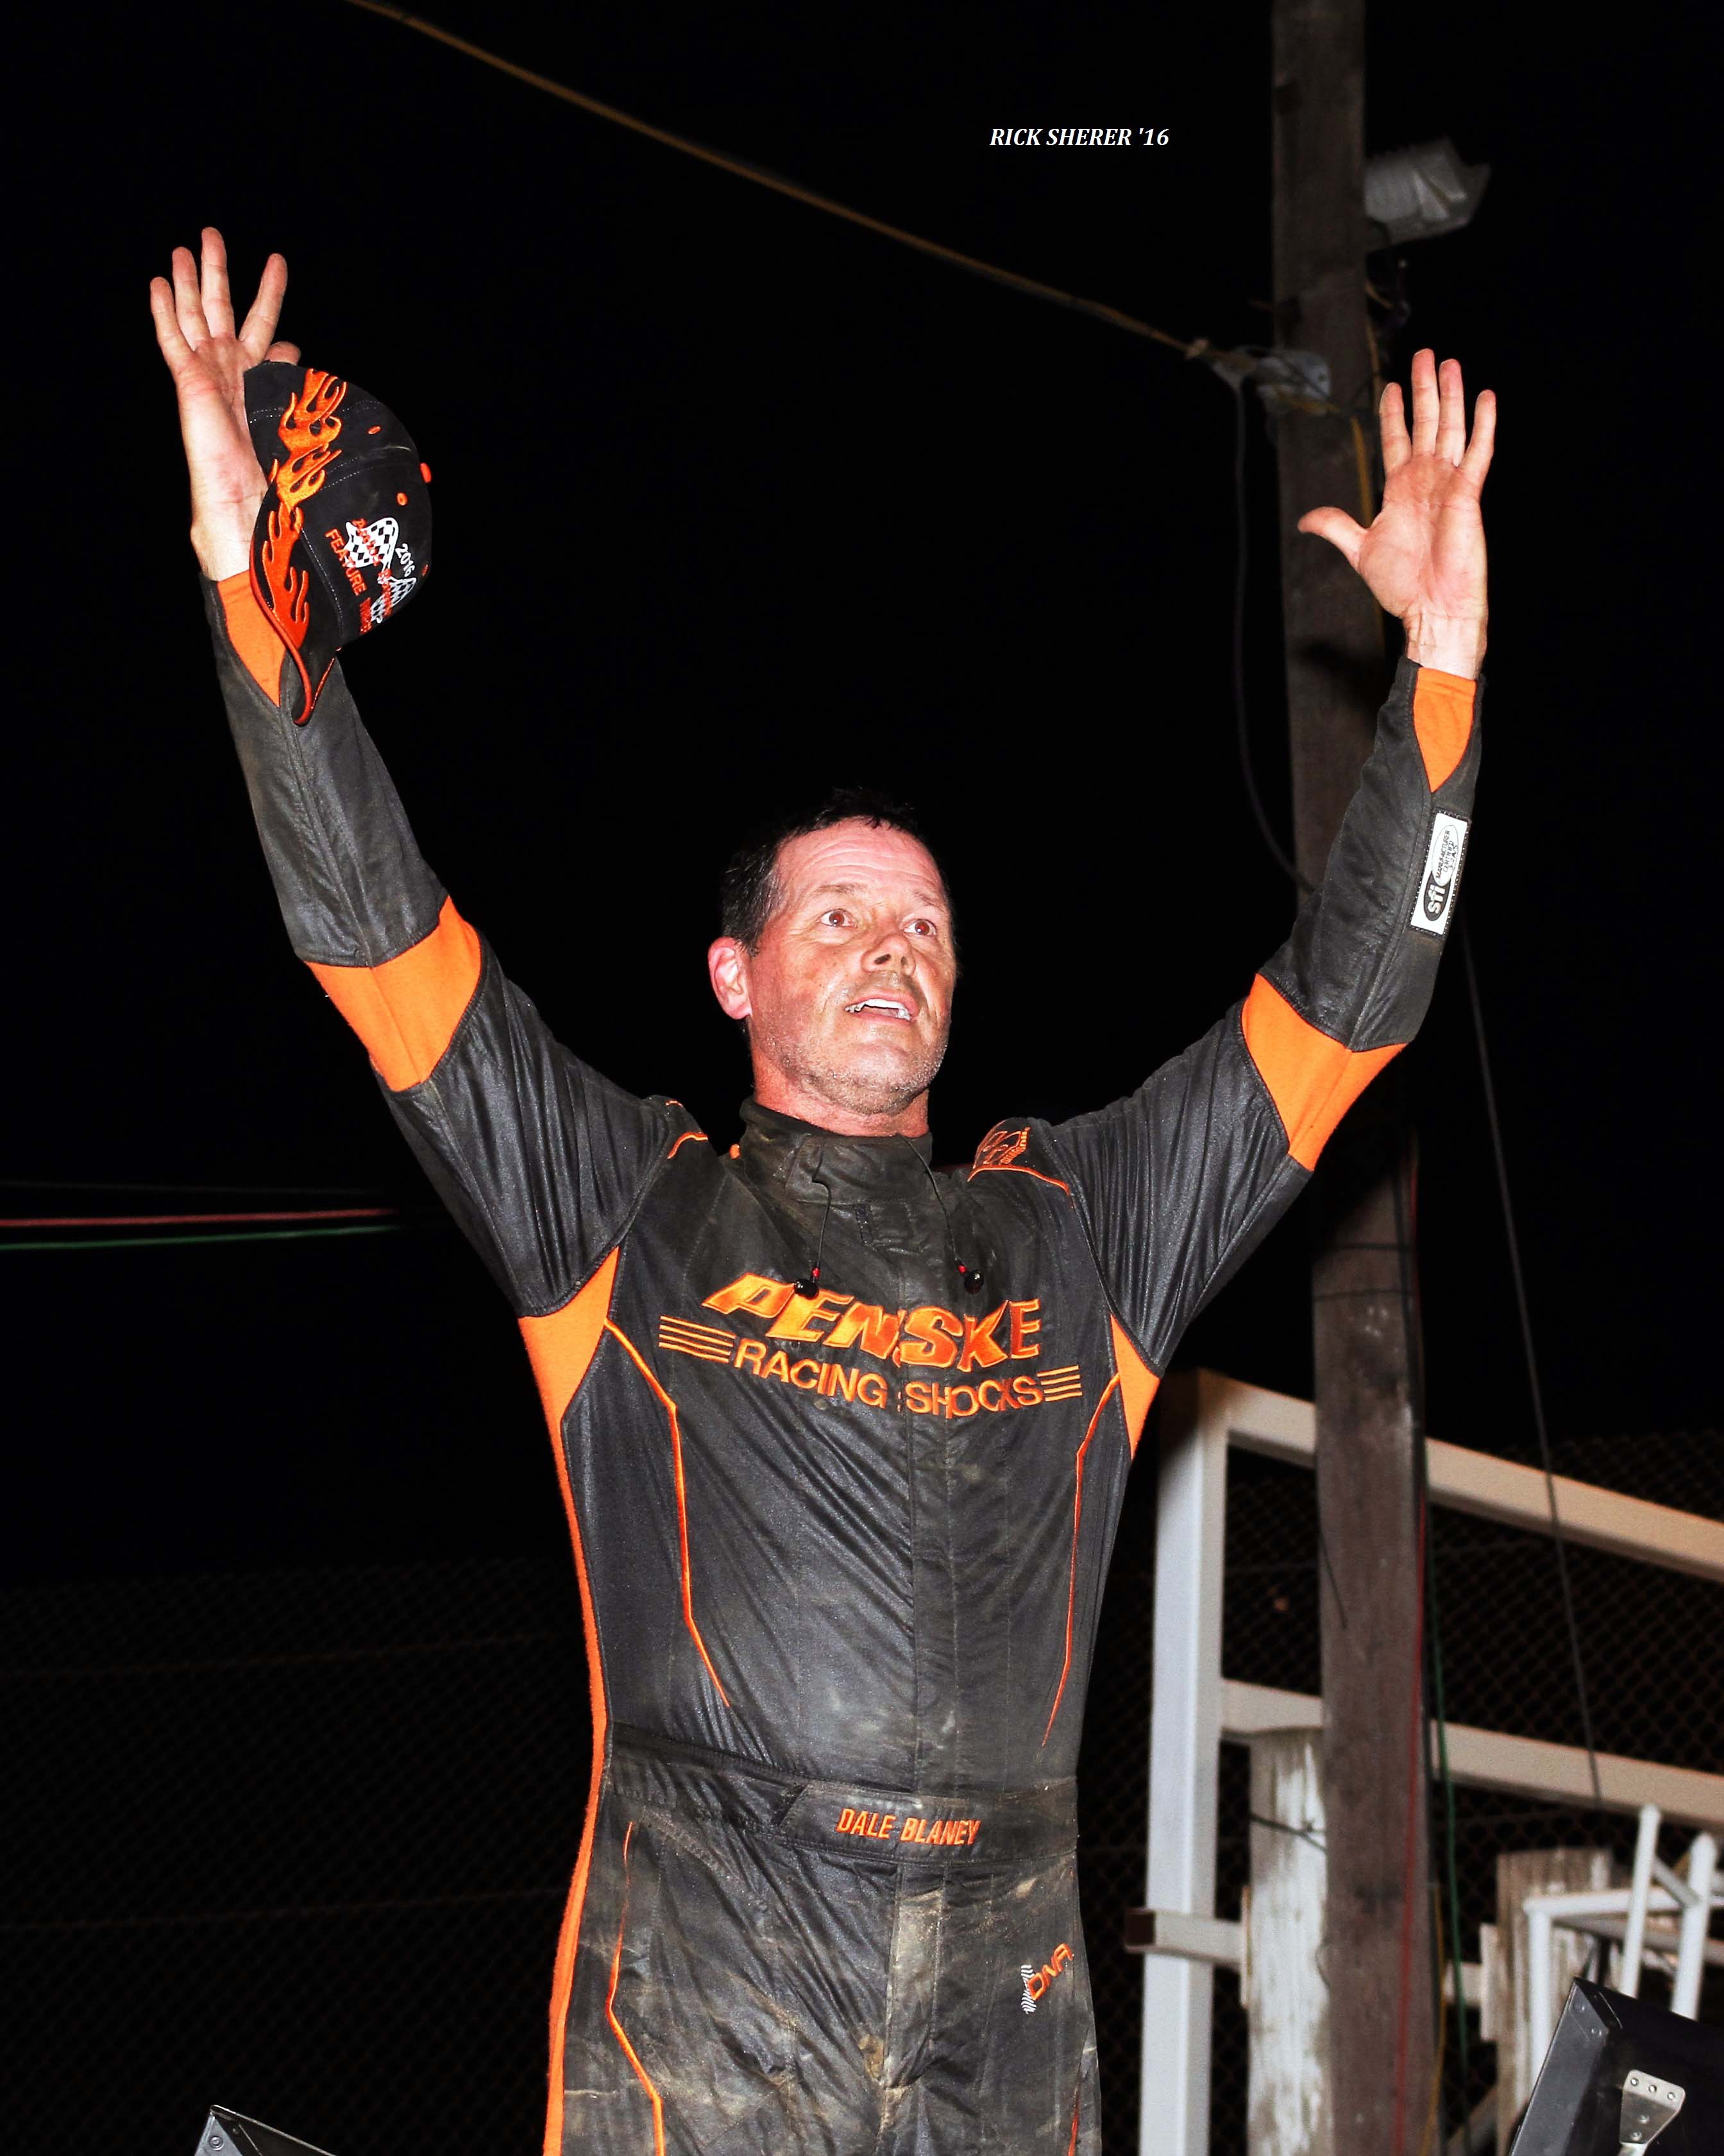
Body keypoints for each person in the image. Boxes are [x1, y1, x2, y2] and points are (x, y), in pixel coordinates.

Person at [151, 227, 1492, 2155]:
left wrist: (1441, 677)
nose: (893, 947)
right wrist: (242, 579)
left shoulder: (1085, 1227)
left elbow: (1355, 1007)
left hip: (1007, 2003)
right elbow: (372, 929)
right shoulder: (620, 1207)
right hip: (706, 1984)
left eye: (925, 921)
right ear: (736, 976)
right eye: (842, 916)